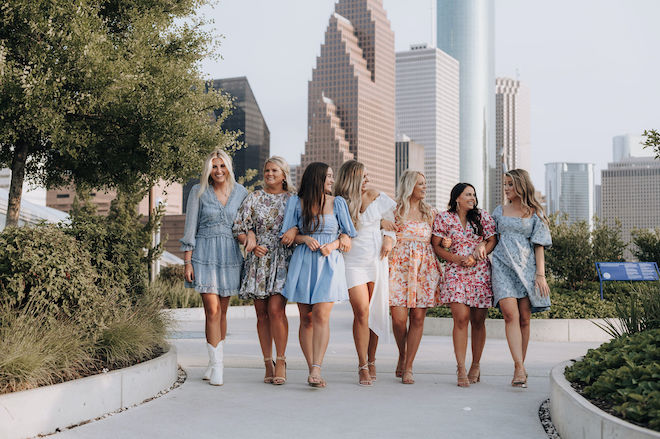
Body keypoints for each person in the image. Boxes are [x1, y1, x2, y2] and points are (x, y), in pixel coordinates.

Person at [279, 162, 357, 388]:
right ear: (317, 178)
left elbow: (348, 237)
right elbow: (287, 236)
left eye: (332, 176)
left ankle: (317, 368)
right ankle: (310, 364)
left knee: (322, 315)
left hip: (329, 263)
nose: (332, 180)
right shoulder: (296, 202)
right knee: (306, 318)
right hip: (303, 262)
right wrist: (303, 238)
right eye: (328, 177)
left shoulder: (338, 203)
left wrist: (332, 245)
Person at [180, 150, 248, 386]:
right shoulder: (198, 192)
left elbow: (246, 225)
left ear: (228, 167)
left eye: (222, 166)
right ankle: (218, 367)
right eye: (214, 167)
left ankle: (213, 361)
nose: (218, 171)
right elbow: (190, 229)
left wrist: (251, 241)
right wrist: (187, 261)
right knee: (212, 310)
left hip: (229, 255)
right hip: (204, 254)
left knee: (224, 312)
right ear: (208, 170)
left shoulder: (241, 193)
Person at [233, 156, 297, 385]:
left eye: (274, 170)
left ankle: (281, 360)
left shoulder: (293, 199)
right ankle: (267, 362)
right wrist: (249, 239)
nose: (269, 174)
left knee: (276, 310)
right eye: (267, 170)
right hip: (258, 261)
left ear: (283, 175)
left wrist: (296, 228)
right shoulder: (254, 197)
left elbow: (303, 221)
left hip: (282, 259)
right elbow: (239, 227)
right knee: (261, 314)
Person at [334, 160, 396, 386]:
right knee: (361, 312)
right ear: (351, 178)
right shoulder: (338, 202)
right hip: (352, 263)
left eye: (368, 176)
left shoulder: (378, 197)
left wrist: (389, 239)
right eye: (363, 176)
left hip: (376, 261)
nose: (367, 180)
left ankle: (372, 359)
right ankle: (362, 364)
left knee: (375, 311)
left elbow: (393, 226)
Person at [491, 169, 551, 388]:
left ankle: (521, 367)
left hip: (526, 269)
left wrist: (540, 276)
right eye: (504, 184)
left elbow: (539, 245)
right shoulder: (499, 211)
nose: (506, 188)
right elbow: (491, 239)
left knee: (524, 318)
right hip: (501, 267)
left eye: (509, 184)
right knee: (510, 315)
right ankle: (518, 366)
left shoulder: (535, 213)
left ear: (520, 185)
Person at [432, 183, 496, 387]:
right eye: (468, 194)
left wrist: (480, 251)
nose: (473, 198)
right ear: (457, 197)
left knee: (478, 321)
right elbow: (436, 245)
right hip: (455, 272)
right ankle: (460, 367)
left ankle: (475, 365)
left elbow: (492, 240)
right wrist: (455, 258)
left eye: (474, 194)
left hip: (479, 273)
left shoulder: (482, 216)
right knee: (461, 319)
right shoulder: (444, 218)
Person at [389, 170, 447, 385]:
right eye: (420, 184)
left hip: (423, 269)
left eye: (425, 183)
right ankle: (402, 354)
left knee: (418, 318)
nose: (425, 187)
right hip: (398, 268)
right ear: (410, 186)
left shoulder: (431, 213)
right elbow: (383, 233)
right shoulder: (393, 211)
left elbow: (438, 242)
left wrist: (446, 243)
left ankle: (409, 366)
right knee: (398, 319)